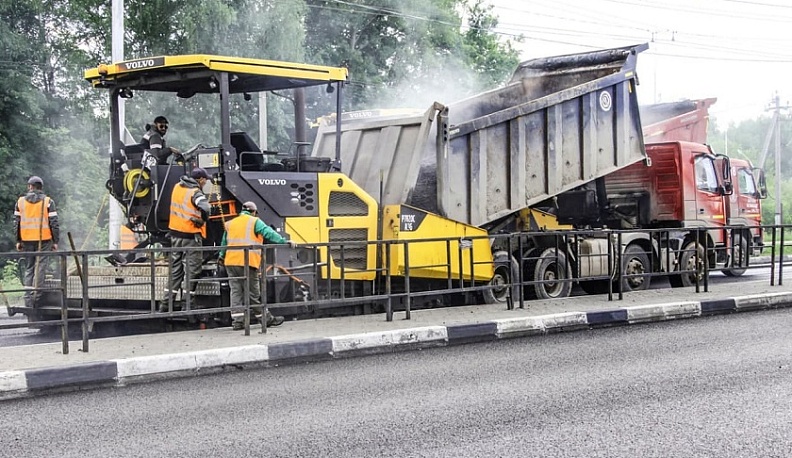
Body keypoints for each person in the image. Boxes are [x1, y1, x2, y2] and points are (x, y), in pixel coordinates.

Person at [218, 201, 295, 330]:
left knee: (236, 292)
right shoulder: (254, 221)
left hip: (230, 262)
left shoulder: (231, 223)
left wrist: (221, 256)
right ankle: (266, 319)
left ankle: (238, 321)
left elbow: (224, 243)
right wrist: (284, 241)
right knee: (253, 293)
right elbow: (268, 233)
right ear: (254, 212)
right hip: (247, 262)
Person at [160, 167, 211, 314]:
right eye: (205, 180)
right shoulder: (195, 192)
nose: (205, 182)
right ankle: (188, 304)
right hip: (190, 237)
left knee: (176, 271)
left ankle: (166, 304)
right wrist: (202, 220)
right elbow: (206, 208)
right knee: (192, 271)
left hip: (175, 236)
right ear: (200, 179)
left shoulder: (177, 186)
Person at [14, 176, 59, 308]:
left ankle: (28, 298)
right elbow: (54, 223)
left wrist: (18, 240)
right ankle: (36, 297)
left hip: (26, 239)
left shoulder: (20, 202)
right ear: (41, 187)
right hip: (44, 240)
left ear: (30, 186)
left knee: (30, 268)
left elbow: (16, 222)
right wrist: (55, 241)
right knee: (40, 267)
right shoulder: (48, 202)